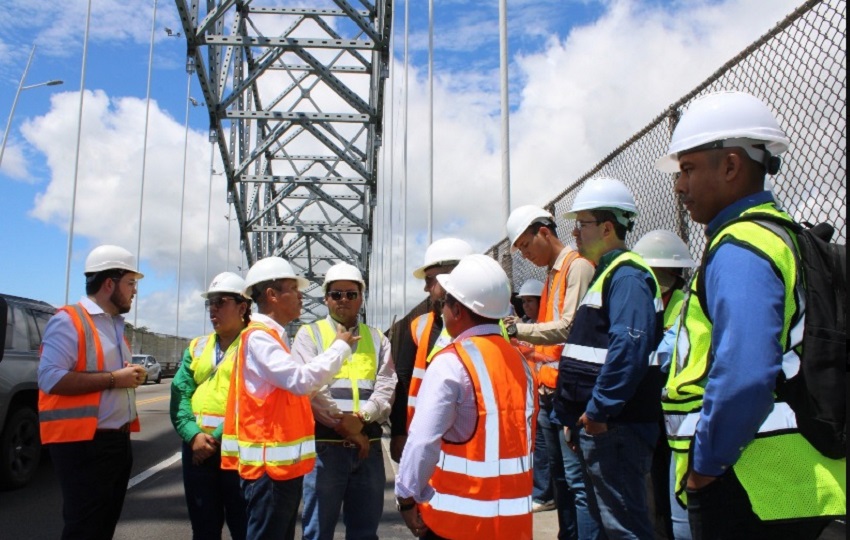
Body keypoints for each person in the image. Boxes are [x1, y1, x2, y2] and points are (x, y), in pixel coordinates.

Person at [655, 90, 846, 539]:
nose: (679, 186)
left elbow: (743, 374)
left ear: (731, 166)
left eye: (687, 169)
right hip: (801, 484)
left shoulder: (742, 246)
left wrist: (706, 463)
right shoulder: (783, 237)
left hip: (756, 487)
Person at [395, 254, 537, 540]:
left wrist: (407, 496)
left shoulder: (452, 362)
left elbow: (423, 442)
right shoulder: (519, 362)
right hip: (512, 525)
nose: (442, 309)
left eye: (446, 302)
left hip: (457, 523)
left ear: (457, 311)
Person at [556, 177, 664, 540]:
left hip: (617, 425)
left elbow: (628, 348)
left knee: (623, 526)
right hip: (603, 424)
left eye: (582, 224)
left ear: (606, 227)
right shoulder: (609, 275)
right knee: (610, 521)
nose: (574, 233)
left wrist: (599, 411)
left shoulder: (628, 276)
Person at [220, 257, 359, 540]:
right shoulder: (260, 338)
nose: (301, 296)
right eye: (294, 289)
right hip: (269, 471)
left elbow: (298, 388)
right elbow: (300, 381)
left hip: (278, 469)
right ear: (271, 295)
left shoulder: (271, 338)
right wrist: (339, 349)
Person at [38, 244, 147, 539]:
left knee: (102, 526)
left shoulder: (113, 325)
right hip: (84, 445)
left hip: (114, 443)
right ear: (109, 283)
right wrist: (115, 378)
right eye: (130, 283)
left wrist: (126, 376)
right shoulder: (68, 320)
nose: (134, 291)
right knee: (85, 528)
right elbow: (49, 377)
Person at [504, 205, 597, 540]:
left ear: (544, 232)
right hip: (551, 392)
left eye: (527, 246)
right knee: (562, 479)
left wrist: (518, 332)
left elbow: (570, 328)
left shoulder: (577, 268)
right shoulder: (553, 275)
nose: (526, 255)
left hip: (569, 392)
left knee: (577, 482)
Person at [293, 262, 396, 540]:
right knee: (317, 532)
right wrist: (344, 424)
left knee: (364, 533)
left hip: (368, 446)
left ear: (361, 298)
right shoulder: (309, 334)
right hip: (325, 446)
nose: (343, 300)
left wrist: (360, 420)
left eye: (351, 294)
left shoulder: (377, 339)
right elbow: (309, 388)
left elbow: (386, 385)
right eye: (337, 294)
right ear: (325, 297)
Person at [170, 272, 252, 540]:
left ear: (242, 307)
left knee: (244, 527)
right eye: (210, 303)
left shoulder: (256, 346)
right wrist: (192, 435)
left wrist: (212, 441)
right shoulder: (197, 346)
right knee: (203, 528)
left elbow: (251, 402)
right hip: (197, 448)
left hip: (237, 451)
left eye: (221, 302)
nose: (213, 309)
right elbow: (180, 392)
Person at [633, 230, 696, 540]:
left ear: (673, 274)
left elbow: (666, 353)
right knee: (656, 478)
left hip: (675, 407)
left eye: (657, 273)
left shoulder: (684, 303)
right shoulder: (644, 304)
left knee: (672, 485)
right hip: (653, 404)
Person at [387, 238, 474, 463]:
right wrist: (399, 432)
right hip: (426, 440)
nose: (426, 288)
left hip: (471, 444)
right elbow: (403, 380)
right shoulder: (419, 326)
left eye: (429, 280)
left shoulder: (497, 326)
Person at [516, 279, 556, 514]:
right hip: (535, 395)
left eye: (530, 301)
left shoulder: (549, 327)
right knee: (538, 447)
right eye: (523, 302)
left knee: (547, 450)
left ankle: (544, 493)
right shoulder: (527, 326)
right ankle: (540, 491)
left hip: (549, 393)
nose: (526, 306)